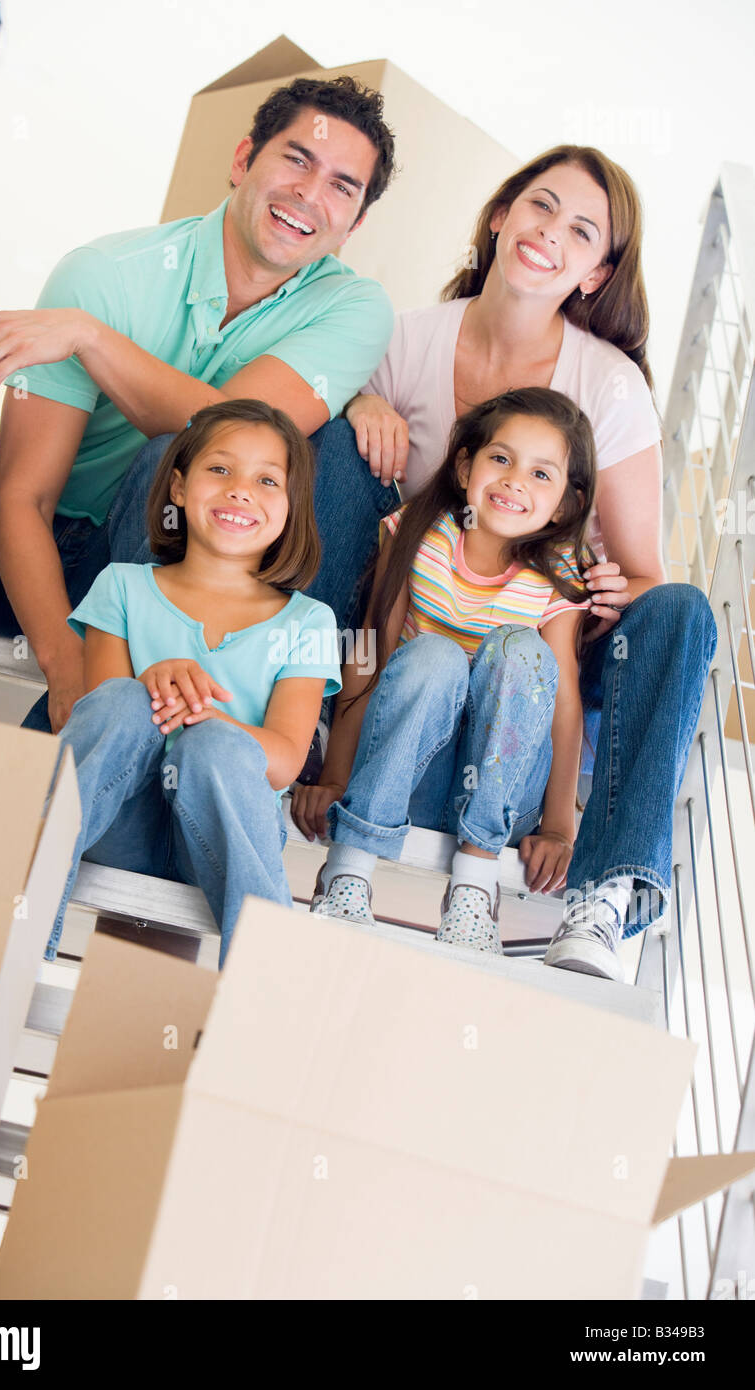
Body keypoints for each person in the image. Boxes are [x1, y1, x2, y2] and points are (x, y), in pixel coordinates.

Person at [303, 145, 718, 980]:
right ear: (499, 215)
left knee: (680, 610)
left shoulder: (609, 387)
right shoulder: (406, 339)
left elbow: (641, 576)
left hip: (543, 633)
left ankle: (604, 891)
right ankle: (297, 726)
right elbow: (378, 594)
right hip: (417, 631)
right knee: (332, 449)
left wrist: (595, 592)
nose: (548, 233)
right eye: (539, 205)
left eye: (581, 230)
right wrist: (359, 398)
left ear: (597, 272)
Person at [0, 75, 394, 735]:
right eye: (296, 159)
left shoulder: (354, 309)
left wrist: (89, 339)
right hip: (17, 560)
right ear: (244, 160)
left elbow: (223, 435)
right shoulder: (106, 274)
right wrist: (67, 662)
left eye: (341, 185)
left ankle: (134, 755)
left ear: (354, 223)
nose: (309, 192)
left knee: (180, 456)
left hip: (155, 582)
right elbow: (22, 500)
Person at [291, 388, 594, 955]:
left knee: (519, 651)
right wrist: (335, 774)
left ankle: (475, 890)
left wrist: (558, 824)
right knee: (435, 656)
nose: (515, 482)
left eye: (541, 474)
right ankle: (348, 870)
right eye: (500, 459)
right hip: (407, 773)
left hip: (502, 790)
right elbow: (366, 648)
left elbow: (566, 704)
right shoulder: (420, 533)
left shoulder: (558, 577)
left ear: (566, 505)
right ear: (464, 466)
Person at [47, 399, 341, 968]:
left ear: (290, 507)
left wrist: (209, 716)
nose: (240, 491)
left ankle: (265, 978)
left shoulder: (309, 621)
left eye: (267, 480)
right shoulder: (124, 587)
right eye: (220, 470)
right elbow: (102, 717)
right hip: (120, 822)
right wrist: (152, 679)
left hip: (219, 834)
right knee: (125, 699)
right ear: (178, 488)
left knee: (216, 746)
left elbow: (281, 761)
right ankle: (22, 903)